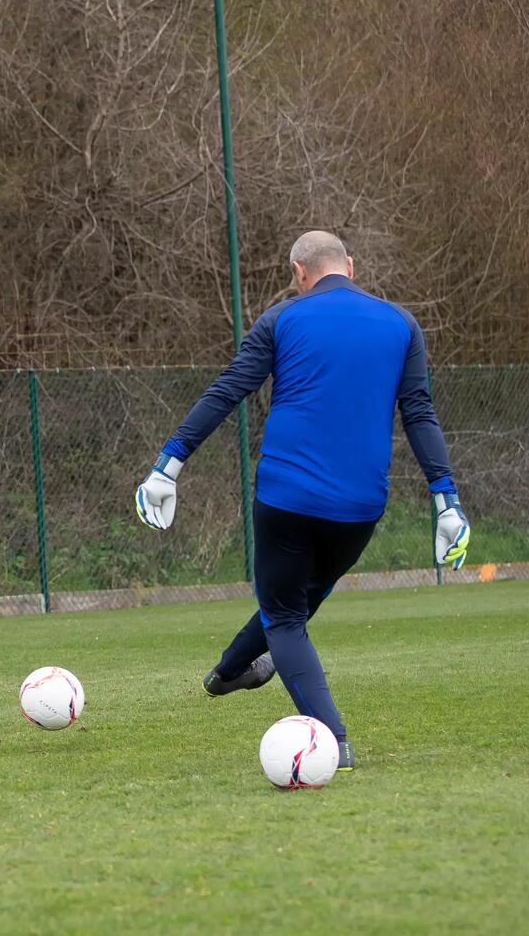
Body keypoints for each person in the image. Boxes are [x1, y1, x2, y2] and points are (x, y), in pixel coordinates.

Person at [134, 230, 470, 771]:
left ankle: (333, 742)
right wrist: (445, 499)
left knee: (286, 615)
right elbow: (420, 414)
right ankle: (227, 674)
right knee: (292, 602)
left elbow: (228, 390)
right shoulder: (402, 324)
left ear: (298, 271)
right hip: (360, 509)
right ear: (351, 267)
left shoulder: (281, 320)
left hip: (286, 499)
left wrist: (169, 463)